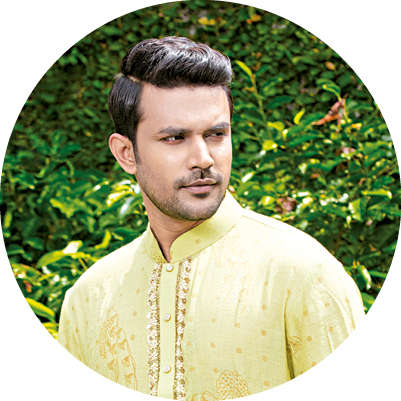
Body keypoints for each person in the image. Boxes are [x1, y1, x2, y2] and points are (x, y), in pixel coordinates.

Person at [58, 36, 364, 400]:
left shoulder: (305, 274)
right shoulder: (89, 299)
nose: (203, 158)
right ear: (126, 153)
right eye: (175, 138)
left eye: (216, 134)